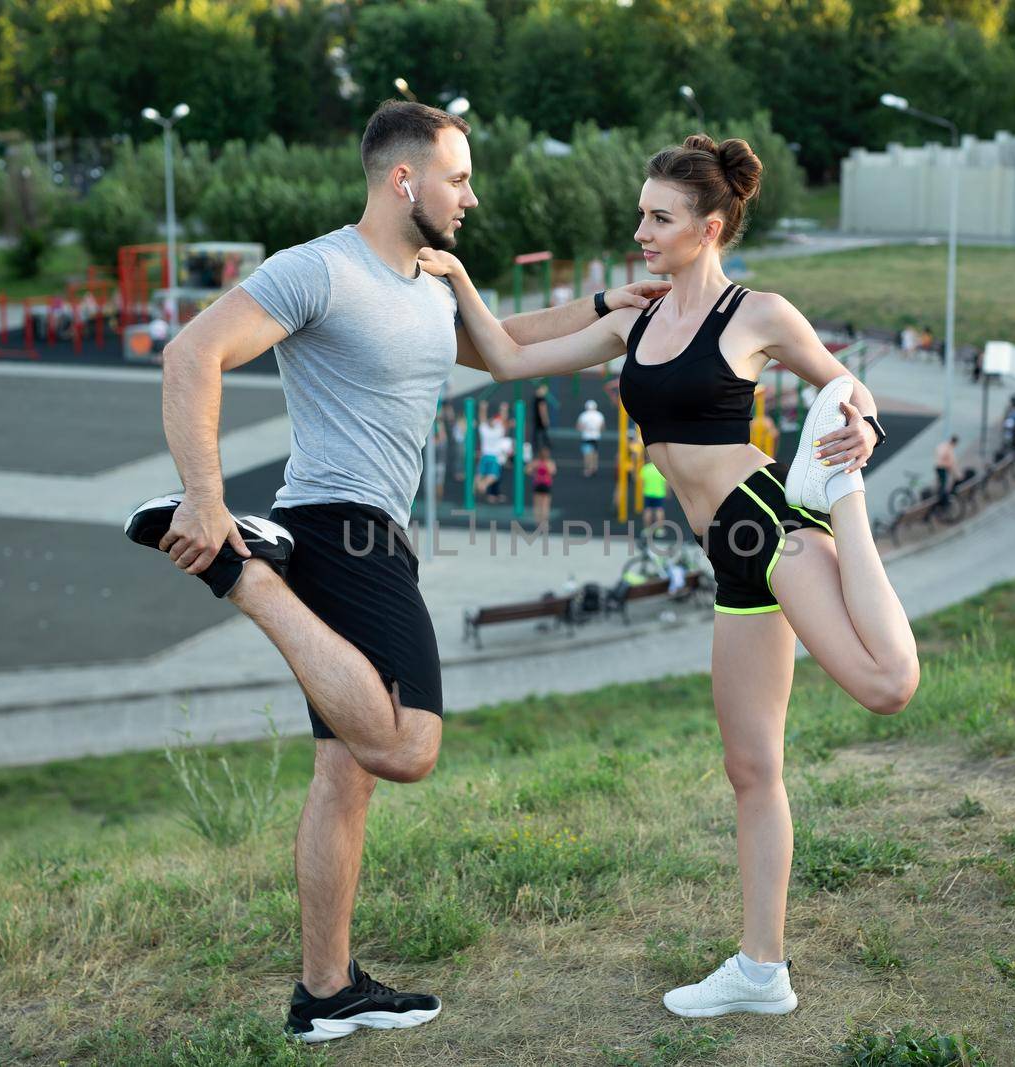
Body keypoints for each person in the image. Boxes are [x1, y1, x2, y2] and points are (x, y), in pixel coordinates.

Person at [120, 99, 668, 1046]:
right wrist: (203, 502)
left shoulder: (427, 283)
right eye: (459, 177)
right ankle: (243, 576)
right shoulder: (320, 268)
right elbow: (192, 351)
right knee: (407, 746)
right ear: (403, 179)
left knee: (346, 770)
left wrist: (607, 310)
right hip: (337, 525)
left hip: (368, 532)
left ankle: (324, 992)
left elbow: (502, 347)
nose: (473, 195)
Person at [418, 132, 918, 1021]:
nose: (641, 231)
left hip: (768, 524)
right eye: (641, 214)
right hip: (728, 562)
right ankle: (762, 970)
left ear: (711, 225)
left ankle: (838, 495)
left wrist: (862, 434)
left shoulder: (759, 313)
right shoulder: (634, 320)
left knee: (887, 683)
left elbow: (851, 388)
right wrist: (457, 280)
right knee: (750, 766)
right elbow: (500, 357)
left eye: (660, 217)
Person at [477, 409, 508, 503]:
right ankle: (482, 485)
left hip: (485, 456)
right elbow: (503, 420)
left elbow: (482, 419)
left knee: (481, 474)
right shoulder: (498, 431)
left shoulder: (484, 430)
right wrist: (504, 409)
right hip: (494, 457)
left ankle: (478, 486)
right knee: (494, 476)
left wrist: (483, 408)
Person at [575, 399, 605, 476]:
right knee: (595, 452)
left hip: (586, 436)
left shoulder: (583, 415)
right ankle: (594, 467)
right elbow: (602, 427)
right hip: (596, 436)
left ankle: (588, 469)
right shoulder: (599, 415)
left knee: (587, 453)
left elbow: (578, 427)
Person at [529, 449, 556, 530]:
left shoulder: (536, 462)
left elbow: (527, 470)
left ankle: (537, 522)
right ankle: (544, 523)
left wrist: (534, 474)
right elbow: (553, 472)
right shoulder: (549, 463)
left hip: (537, 483)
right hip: (546, 484)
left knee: (537, 504)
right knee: (545, 505)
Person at [640, 458, 667, 530]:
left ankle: (647, 528)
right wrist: (667, 492)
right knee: (659, 510)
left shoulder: (645, 468)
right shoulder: (660, 469)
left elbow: (642, 482)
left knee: (647, 510)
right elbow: (665, 483)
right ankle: (660, 529)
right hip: (659, 493)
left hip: (647, 493)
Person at [934, 435, 959, 504]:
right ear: (954, 442)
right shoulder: (948, 448)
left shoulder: (944, 445)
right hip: (942, 467)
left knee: (942, 482)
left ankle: (940, 496)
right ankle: (942, 499)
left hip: (940, 466)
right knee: (943, 483)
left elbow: (937, 450)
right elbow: (943, 456)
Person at [531, 382, 554, 453]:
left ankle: (536, 445)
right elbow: (543, 410)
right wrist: (545, 419)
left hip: (536, 418)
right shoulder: (541, 399)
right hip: (540, 419)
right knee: (543, 433)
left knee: (537, 433)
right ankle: (546, 445)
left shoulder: (536, 398)